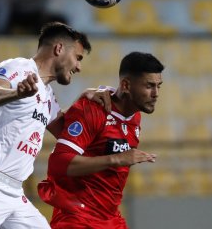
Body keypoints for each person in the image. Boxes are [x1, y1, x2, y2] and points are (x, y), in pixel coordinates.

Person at [0, 22, 111, 229]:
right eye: (78, 58)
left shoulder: (47, 95)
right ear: (59, 49)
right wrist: (15, 93)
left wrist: (84, 101)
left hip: (15, 194)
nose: (79, 67)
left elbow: (66, 132)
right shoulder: (18, 67)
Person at [38, 51, 164, 228]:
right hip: (78, 218)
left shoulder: (134, 116)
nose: (156, 93)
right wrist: (116, 159)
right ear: (126, 85)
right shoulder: (94, 109)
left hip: (110, 219)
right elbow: (59, 164)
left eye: (159, 86)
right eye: (149, 86)